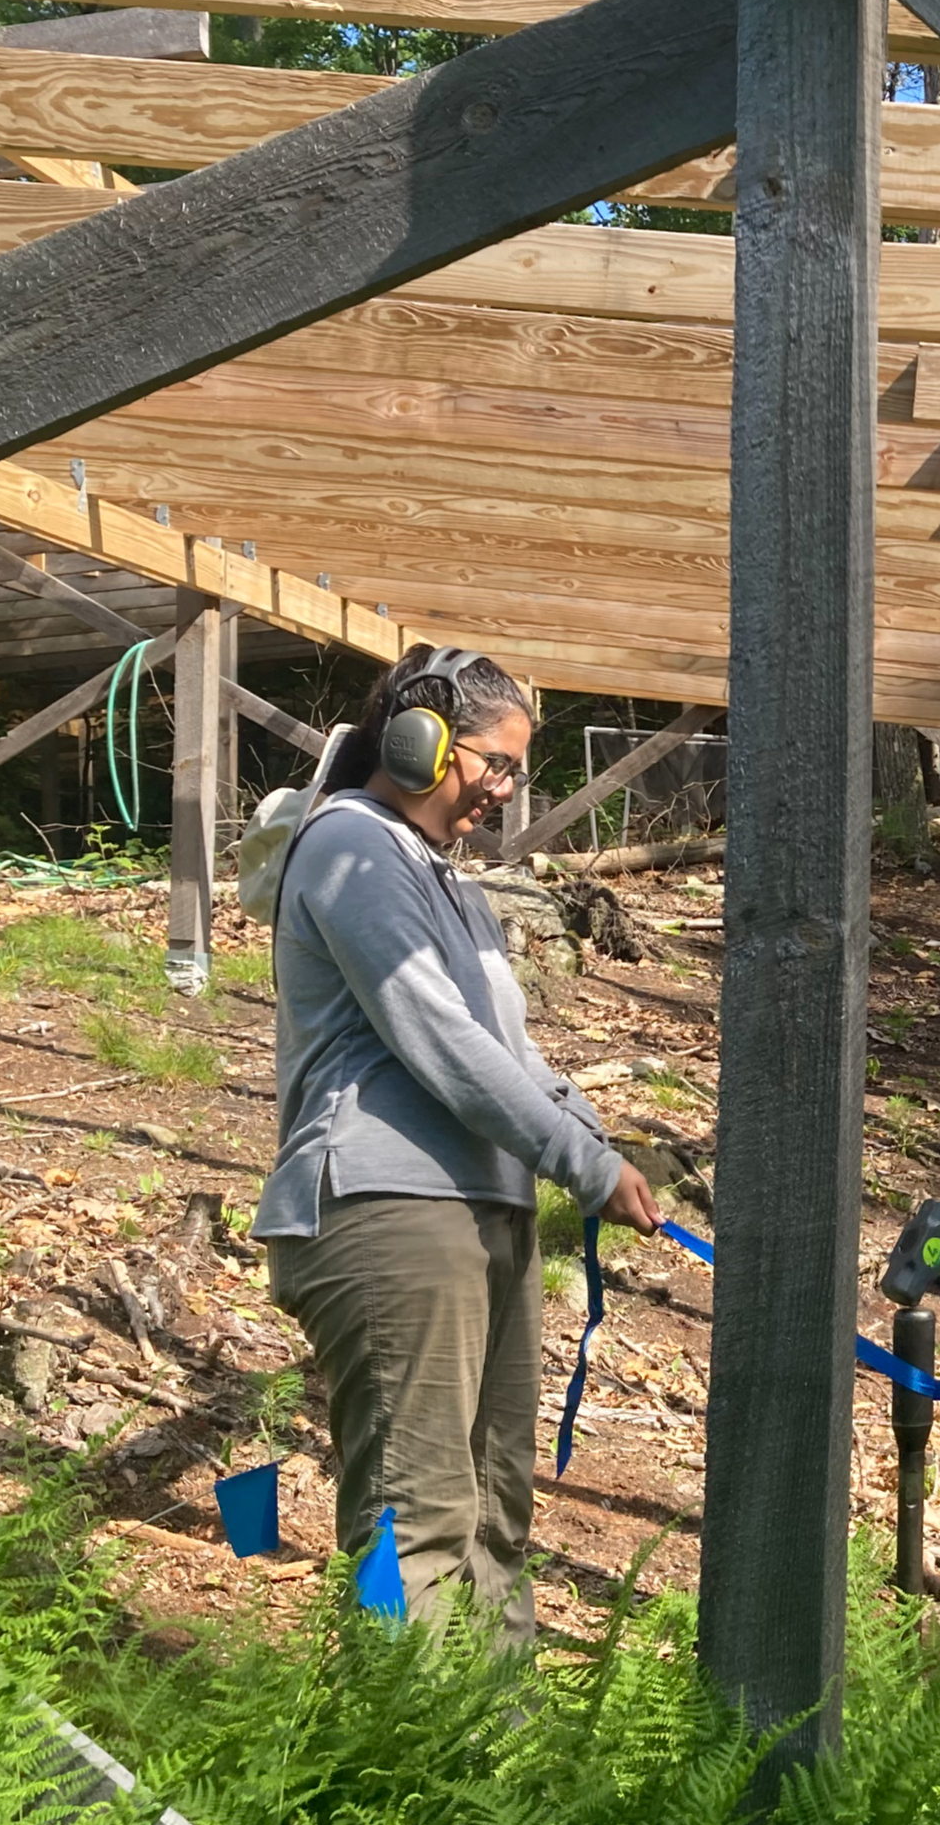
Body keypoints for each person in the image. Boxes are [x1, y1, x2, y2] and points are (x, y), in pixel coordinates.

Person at [250, 645, 662, 1639]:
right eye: (495, 762)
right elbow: (436, 1039)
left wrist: (591, 1135)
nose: (506, 789)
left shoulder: (450, 887)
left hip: (484, 1209)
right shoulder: (349, 848)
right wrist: (585, 1165)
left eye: (519, 769)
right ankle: (393, 1761)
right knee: (414, 1520)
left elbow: (505, 1050)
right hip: (387, 1209)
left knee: (493, 1515)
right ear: (417, 739)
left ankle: (493, 1773)